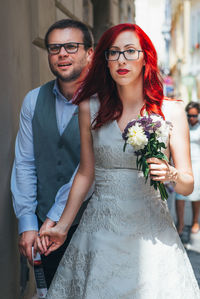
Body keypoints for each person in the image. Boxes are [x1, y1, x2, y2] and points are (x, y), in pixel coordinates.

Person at [38, 23, 200, 298]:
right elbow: (86, 174)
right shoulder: (90, 107)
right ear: (105, 61)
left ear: (146, 57)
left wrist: (171, 174)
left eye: (130, 51)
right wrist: (62, 226)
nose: (121, 60)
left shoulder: (170, 111)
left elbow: (187, 185)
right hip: (101, 233)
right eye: (113, 53)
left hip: (153, 237)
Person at [11, 19, 94, 287]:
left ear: (89, 53)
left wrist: (55, 217)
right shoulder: (33, 100)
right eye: (54, 47)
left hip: (92, 225)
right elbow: (24, 163)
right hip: (43, 229)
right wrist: (27, 223)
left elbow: (89, 168)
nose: (62, 54)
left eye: (71, 46)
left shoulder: (104, 103)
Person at [176, 101, 200, 235]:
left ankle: (195, 221)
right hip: (183, 162)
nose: (192, 118)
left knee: (196, 195)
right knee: (179, 194)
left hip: (197, 164)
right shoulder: (182, 126)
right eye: (189, 116)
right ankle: (181, 223)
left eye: (194, 116)